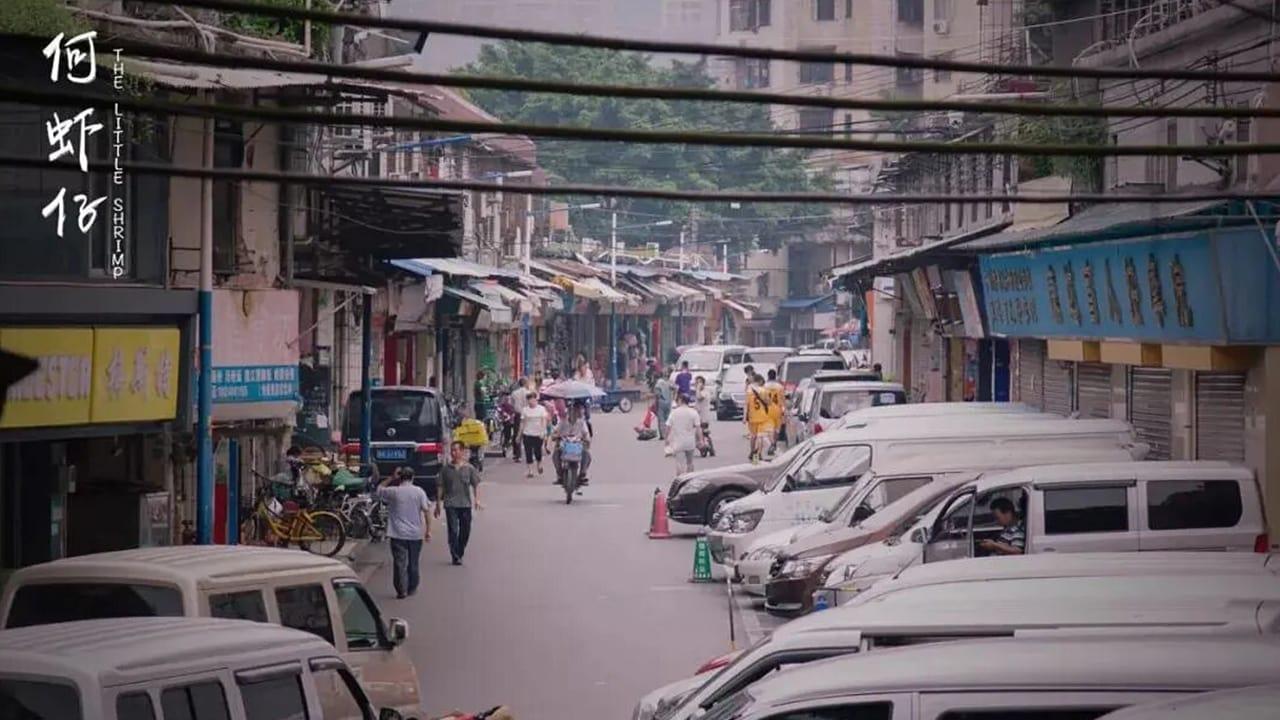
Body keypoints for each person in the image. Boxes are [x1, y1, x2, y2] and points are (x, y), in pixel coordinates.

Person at [377, 467, 432, 599]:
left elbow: (379, 489)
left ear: (400, 477)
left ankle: (401, 590)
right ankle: (412, 587)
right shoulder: (419, 492)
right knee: (413, 562)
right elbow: (427, 511)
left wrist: (391, 478)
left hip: (397, 534)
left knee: (399, 563)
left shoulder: (394, 492)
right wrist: (428, 531)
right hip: (415, 534)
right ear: (413, 477)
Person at [435, 441, 483, 565]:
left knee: (465, 531)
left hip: (465, 504)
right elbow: (440, 486)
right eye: (452, 451)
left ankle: (459, 551)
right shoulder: (446, 469)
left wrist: (477, 500)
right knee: (453, 530)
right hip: (450, 504)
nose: (454, 453)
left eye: (456, 450)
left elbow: (476, 485)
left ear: (462, 452)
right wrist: (438, 505)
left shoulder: (469, 468)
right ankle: (455, 555)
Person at [551, 401, 592, 485]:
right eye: (571, 411)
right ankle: (559, 475)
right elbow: (555, 431)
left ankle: (582, 475)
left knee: (586, 454)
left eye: (575, 411)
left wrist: (587, 439)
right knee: (556, 454)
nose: (573, 413)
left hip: (577, 445)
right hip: (564, 445)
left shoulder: (581, 422)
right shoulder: (562, 422)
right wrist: (555, 436)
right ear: (568, 412)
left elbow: (586, 434)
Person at [665, 393, 704, 476]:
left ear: (680, 400)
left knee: (679, 463)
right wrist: (700, 440)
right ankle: (689, 480)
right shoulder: (693, 412)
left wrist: (666, 439)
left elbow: (668, 427)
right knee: (690, 463)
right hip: (690, 442)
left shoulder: (674, 413)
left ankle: (679, 480)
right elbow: (698, 428)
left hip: (678, 442)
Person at [519, 390, 550, 478]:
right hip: (527, 433)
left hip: (538, 434)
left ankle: (539, 465)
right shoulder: (525, 410)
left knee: (537, 451)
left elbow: (543, 421)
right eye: (529, 400)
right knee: (528, 452)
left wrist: (543, 432)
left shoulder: (541, 409)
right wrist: (519, 435)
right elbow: (522, 423)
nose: (530, 401)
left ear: (536, 399)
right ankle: (530, 471)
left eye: (532, 399)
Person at [744, 374, 773, 464]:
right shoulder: (763, 390)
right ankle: (757, 456)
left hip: (752, 417)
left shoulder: (749, 391)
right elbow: (769, 402)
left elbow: (746, 405)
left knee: (753, 437)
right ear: (760, 381)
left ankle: (752, 452)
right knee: (759, 438)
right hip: (762, 417)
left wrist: (744, 417)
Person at [764, 369, 786, 456]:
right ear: (775, 376)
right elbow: (783, 400)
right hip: (777, 410)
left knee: (769, 429)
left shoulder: (764, 386)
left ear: (768, 376)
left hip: (768, 410)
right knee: (777, 429)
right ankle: (774, 443)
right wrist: (784, 410)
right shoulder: (780, 387)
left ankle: (771, 444)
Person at [693, 375, 715, 457]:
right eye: (696, 383)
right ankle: (709, 447)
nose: (697, 384)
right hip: (699, 416)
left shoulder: (704, 392)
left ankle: (706, 447)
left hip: (703, 417)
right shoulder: (702, 392)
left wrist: (698, 389)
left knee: (698, 435)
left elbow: (699, 397)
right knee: (703, 433)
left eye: (699, 382)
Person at [653, 369, 674, 441]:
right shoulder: (667, 382)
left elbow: (657, 394)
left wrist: (656, 402)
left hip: (661, 402)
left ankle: (662, 435)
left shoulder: (658, 384)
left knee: (661, 419)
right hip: (668, 402)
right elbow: (674, 388)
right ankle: (668, 434)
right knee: (667, 418)